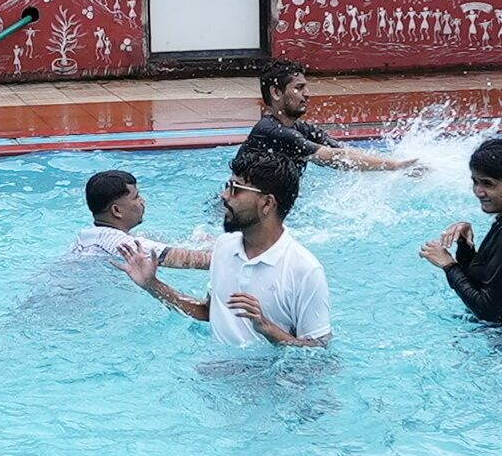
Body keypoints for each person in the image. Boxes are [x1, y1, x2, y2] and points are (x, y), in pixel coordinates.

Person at [122, 143, 333, 347]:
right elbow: (208, 312)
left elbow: (317, 349)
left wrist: (268, 329)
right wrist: (153, 285)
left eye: (236, 189)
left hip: (267, 381)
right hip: (216, 374)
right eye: (227, 186)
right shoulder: (225, 246)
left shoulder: (304, 269)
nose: (224, 196)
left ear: (267, 204)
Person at [421, 135, 502, 323]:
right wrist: (465, 246)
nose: (478, 191)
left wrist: (448, 264)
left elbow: (486, 310)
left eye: (488, 184)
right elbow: (487, 283)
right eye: (475, 182)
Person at [246, 60, 411, 172]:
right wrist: (394, 166)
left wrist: (399, 162)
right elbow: (332, 157)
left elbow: (343, 152)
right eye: (299, 87)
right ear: (276, 92)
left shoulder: (304, 129)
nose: (308, 94)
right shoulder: (270, 131)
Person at [73, 169, 208, 268]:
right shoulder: (124, 245)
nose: (142, 201)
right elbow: (200, 261)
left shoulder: (86, 236)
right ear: (116, 210)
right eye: (136, 197)